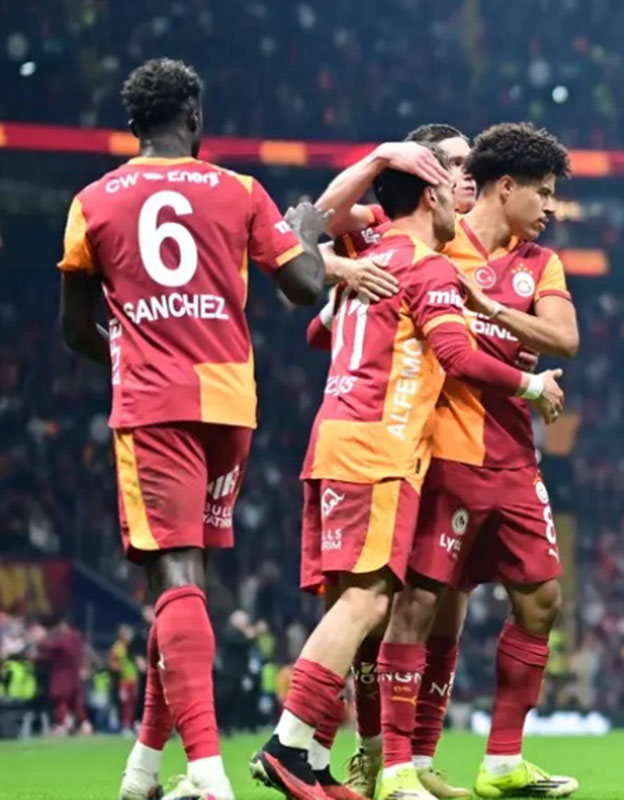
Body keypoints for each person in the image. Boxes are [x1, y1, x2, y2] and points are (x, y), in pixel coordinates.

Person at [250, 140, 565, 800]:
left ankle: (322, 757)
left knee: (362, 603)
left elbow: (302, 279)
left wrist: (336, 265)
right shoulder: (424, 264)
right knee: (369, 603)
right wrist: (531, 385)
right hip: (382, 446)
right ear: (428, 193)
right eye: (449, 176)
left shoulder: (375, 258)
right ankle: (294, 746)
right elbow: (457, 355)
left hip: (336, 437)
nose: (460, 191)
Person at [57, 57, 327, 800]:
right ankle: (144, 769)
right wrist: (305, 230)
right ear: (195, 117)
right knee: (185, 586)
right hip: (230, 405)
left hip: (155, 406)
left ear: (133, 125)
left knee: (173, 579)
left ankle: (207, 775)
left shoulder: (92, 201)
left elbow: (74, 329)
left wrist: (134, 352)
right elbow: (306, 286)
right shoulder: (240, 191)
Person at [108, 624, 141, 733]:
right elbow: (112, 662)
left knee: (135, 703)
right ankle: (125, 726)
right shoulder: (117, 647)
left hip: (134, 679)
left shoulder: (133, 646)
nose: (127, 636)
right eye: (125, 633)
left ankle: (134, 724)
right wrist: (119, 668)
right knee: (125, 704)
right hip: (124, 681)